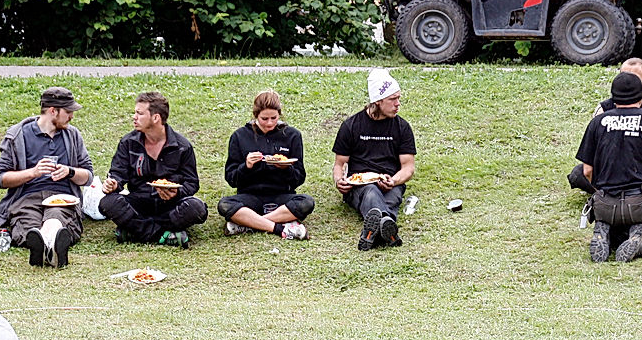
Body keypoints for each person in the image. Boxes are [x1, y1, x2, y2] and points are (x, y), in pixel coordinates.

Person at [576, 71, 642, 263]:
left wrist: (600, 193)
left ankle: (605, 229)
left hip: (605, 204)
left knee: (616, 220)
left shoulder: (597, 122)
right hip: (641, 202)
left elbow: (586, 171)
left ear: (613, 97)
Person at [0, 87, 93, 267]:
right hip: (27, 197)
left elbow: (88, 176)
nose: (71, 117)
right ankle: (52, 247)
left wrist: (69, 171)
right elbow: (2, 179)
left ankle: (44, 247)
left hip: (62, 197)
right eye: (68, 112)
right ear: (53, 111)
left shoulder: (72, 135)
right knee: (28, 225)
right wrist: (33, 172)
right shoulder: (18, 135)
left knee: (56, 217)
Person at [99, 91, 208, 248]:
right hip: (139, 202)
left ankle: (135, 230)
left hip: (170, 204)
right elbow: (118, 174)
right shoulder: (128, 142)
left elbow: (192, 183)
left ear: (156, 118)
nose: (134, 117)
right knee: (108, 203)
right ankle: (163, 234)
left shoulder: (182, 146)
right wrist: (113, 184)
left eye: (140, 113)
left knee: (197, 208)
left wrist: (177, 192)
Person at [568, 58, 642, 194]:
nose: (628, 82)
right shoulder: (603, 109)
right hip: (610, 167)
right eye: (623, 76)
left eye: (634, 79)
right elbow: (593, 154)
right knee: (578, 174)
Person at [332, 68, 416, 251]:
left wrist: (393, 180)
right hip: (359, 185)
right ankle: (387, 230)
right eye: (392, 99)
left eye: (398, 98)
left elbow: (408, 168)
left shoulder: (402, 128)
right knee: (370, 191)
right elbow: (340, 164)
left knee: (391, 198)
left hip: (390, 183)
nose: (398, 104)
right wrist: (339, 181)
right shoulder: (351, 126)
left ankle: (372, 233)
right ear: (377, 101)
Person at [217, 90, 314, 240]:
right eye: (264, 118)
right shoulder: (239, 136)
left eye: (274, 118)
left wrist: (286, 168)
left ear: (280, 115)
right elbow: (231, 179)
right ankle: (279, 228)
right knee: (225, 205)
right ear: (255, 115)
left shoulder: (292, 135)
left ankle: (249, 223)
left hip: (281, 197)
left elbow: (299, 178)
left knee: (306, 202)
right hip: (250, 197)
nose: (269, 123)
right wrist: (246, 166)